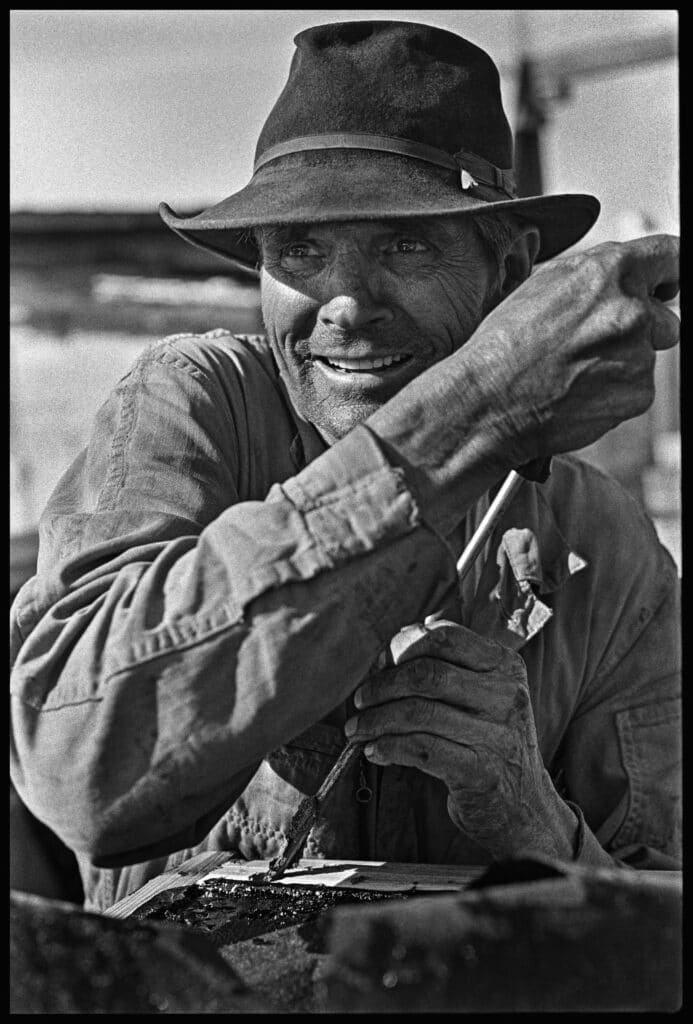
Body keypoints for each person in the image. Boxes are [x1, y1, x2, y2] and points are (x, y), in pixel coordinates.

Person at [10, 20, 680, 913]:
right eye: (300, 253)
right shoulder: (200, 405)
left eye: (406, 247)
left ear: (508, 269)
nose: (347, 307)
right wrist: (477, 407)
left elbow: (657, 924)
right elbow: (81, 771)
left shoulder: (603, 547)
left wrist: (525, 809)